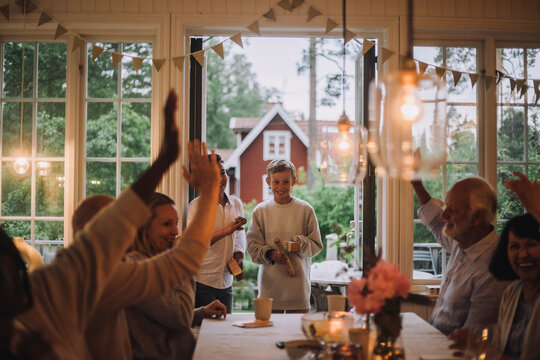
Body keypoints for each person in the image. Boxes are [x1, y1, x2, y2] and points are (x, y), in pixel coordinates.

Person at [2, 89, 220, 359]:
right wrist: (208, 191)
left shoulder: (57, 281)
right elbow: (180, 267)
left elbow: (125, 216)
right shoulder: (88, 278)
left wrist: (164, 160)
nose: (127, 238)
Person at [124, 192, 227, 360]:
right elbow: (179, 317)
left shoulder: (154, 261)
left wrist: (201, 313)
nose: (175, 231)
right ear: (145, 227)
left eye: (176, 223)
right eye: (167, 224)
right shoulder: (138, 268)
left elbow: (162, 314)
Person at [411, 177, 509, 335]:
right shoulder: (462, 239)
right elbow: (435, 221)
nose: (444, 214)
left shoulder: (494, 269)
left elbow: (470, 340)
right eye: (446, 206)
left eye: (453, 210)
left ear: (477, 217)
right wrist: (417, 184)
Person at [449, 213, 540, 360]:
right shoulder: (512, 293)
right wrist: (477, 344)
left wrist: (485, 350)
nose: (523, 254)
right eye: (514, 247)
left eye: (531, 245)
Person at [247, 159, 322, 312]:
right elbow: (252, 248)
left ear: (294, 181)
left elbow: (316, 246)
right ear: (268, 181)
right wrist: (270, 254)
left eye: (285, 182)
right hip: (269, 294)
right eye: (276, 182)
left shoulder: (305, 210)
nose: (280, 187)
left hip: (298, 293)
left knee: (296, 335)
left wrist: (300, 244)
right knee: (269, 334)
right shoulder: (260, 211)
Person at [187, 154, 246, 314]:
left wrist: (239, 256)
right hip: (203, 283)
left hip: (227, 282)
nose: (220, 179)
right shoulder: (196, 207)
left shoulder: (236, 204)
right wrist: (228, 230)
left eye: (222, 172)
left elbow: (240, 236)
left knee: (226, 332)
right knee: (206, 332)